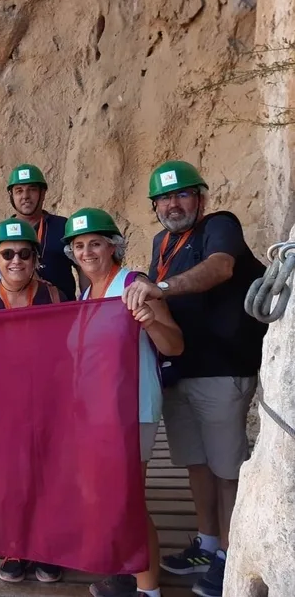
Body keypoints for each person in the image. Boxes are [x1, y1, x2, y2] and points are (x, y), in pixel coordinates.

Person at [123, 161, 268, 597]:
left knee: (227, 468)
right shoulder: (161, 241)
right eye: (164, 198)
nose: (173, 203)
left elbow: (221, 268)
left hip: (222, 368)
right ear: (155, 206)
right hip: (179, 371)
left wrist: (160, 288)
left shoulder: (219, 226)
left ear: (200, 198)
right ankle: (207, 544)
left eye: (183, 194)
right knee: (196, 463)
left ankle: (231, 552)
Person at [63, 208, 184, 597]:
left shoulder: (132, 283)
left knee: (129, 497)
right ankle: (125, 572)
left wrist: (149, 320)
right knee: (104, 496)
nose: (87, 252)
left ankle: (148, 589)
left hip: (131, 412)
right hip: (94, 415)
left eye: (95, 243)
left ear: (112, 245)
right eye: (79, 245)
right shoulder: (84, 295)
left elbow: (175, 345)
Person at [0, 217, 66, 584]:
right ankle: (15, 545)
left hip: (46, 402)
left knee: (47, 475)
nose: (15, 261)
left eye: (24, 253)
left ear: (35, 257)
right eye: (7, 254)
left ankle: (47, 546)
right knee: (6, 478)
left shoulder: (54, 296)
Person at [6, 164, 82, 300]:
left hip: (64, 313)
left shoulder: (63, 226)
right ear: (11, 195)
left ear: (43, 192)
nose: (25, 196)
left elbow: (83, 268)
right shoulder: (2, 232)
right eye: (19, 191)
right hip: (21, 315)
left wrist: (88, 305)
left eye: (32, 190)